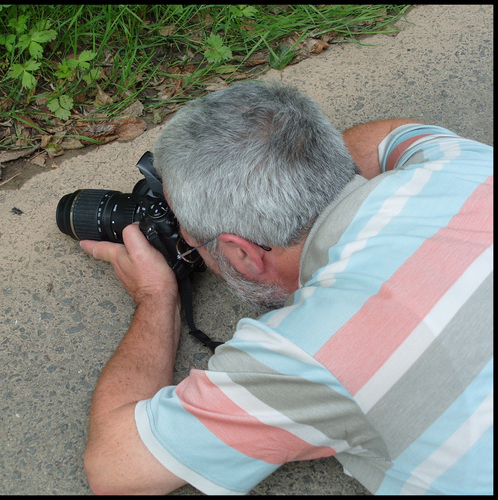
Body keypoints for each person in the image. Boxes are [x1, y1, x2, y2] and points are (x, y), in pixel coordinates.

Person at [77, 81, 492, 494]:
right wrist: (292, 180)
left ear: (243, 255)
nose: (187, 243)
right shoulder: (460, 162)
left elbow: (116, 466)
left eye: (192, 239)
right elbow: (389, 133)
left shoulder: (306, 354)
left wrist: (154, 295)